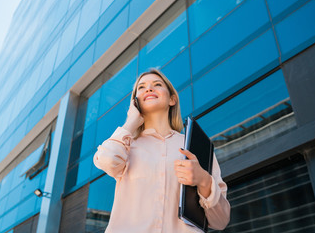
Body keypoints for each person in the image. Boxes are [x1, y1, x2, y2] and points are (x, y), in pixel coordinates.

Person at [93, 69, 230, 232]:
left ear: (172, 99)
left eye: (157, 84)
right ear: (134, 102)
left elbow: (221, 221)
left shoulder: (195, 148)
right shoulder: (126, 146)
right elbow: (106, 160)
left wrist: (203, 180)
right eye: (141, 87)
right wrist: (130, 122)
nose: (149, 89)